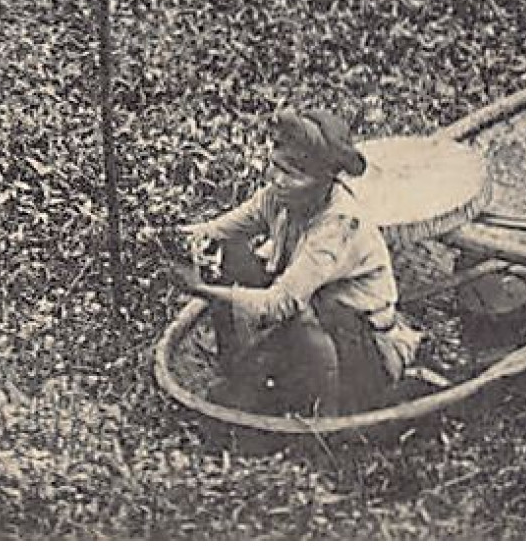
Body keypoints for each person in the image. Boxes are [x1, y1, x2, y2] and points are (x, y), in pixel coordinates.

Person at [176, 108, 421, 416]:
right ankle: (242, 368)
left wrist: (201, 289)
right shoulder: (279, 197)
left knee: (310, 315)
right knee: (231, 252)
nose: (278, 180)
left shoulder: (338, 224)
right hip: (311, 323)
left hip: (359, 345)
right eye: (275, 166)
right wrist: (167, 236)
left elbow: (282, 303)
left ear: (324, 180)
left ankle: (327, 412)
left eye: (293, 174)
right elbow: (218, 230)